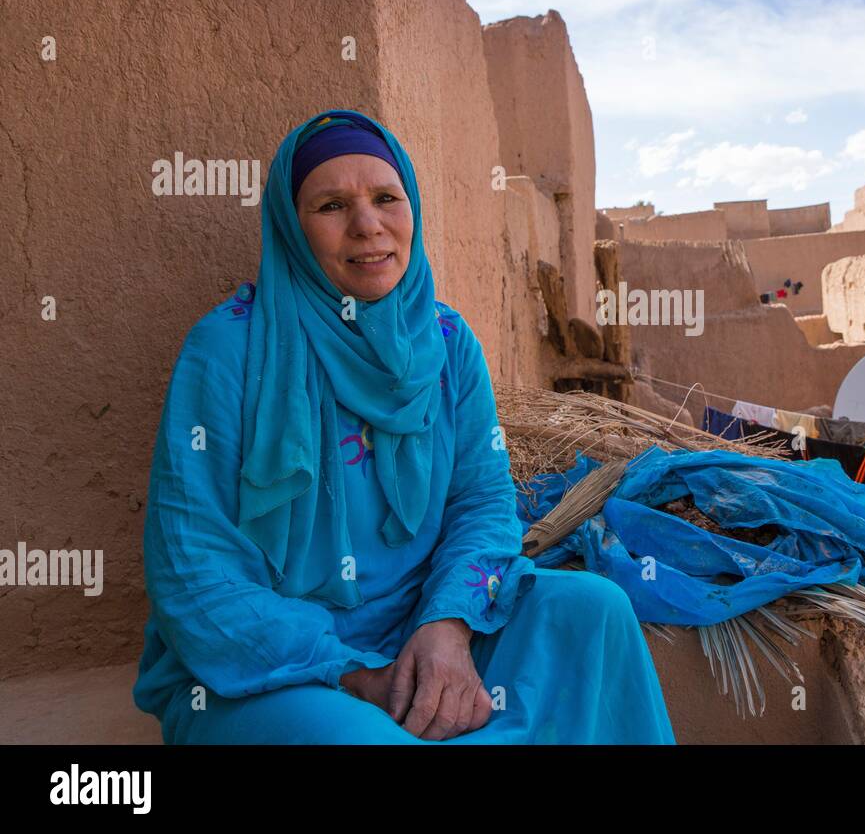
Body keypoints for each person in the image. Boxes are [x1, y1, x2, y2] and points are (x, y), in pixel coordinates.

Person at [132, 109, 675, 744]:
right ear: (291, 227)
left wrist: (446, 627)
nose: (368, 225)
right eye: (332, 205)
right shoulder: (229, 350)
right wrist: (354, 671)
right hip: (274, 665)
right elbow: (191, 564)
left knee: (595, 612)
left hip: (421, 631)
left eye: (386, 198)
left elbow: (482, 501)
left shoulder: (446, 342)